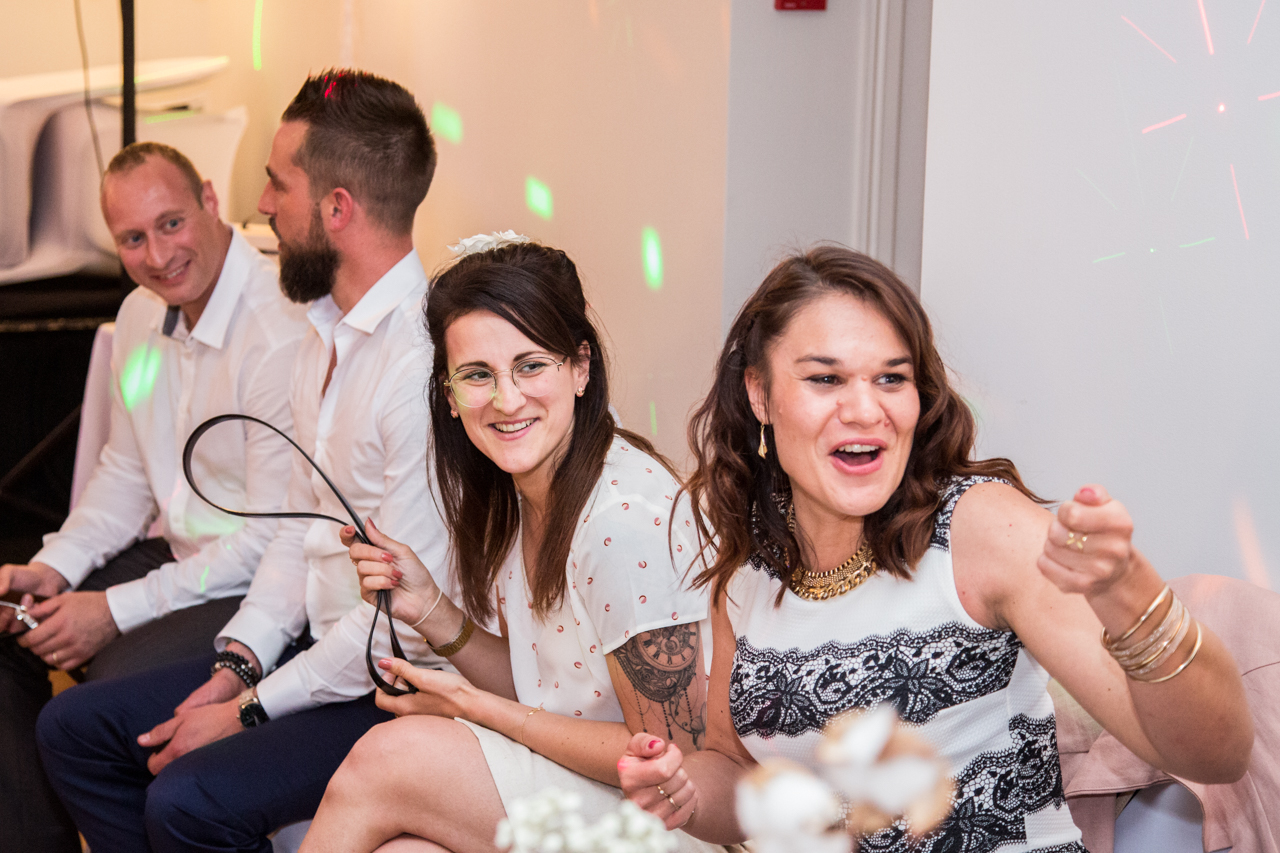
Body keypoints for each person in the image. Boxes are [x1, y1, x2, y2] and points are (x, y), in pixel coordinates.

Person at [615, 245, 1254, 852]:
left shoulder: (979, 530)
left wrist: (1131, 597)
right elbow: (735, 766)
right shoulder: (752, 568)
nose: (865, 410)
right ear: (759, 394)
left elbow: (1215, 754)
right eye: (826, 378)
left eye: (891, 378)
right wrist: (683, 792)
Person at [36, 70, 448, 852]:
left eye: (277, 183)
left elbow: (390, 627)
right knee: (72, 729)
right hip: (311, 640)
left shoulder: (417, 365)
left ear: (335, 208)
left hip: (387, 682)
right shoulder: (322, 333)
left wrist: (248, 709)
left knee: (185, 800)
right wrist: (238, 664)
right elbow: (296, 530)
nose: (261, 204)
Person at [297, 236, 724, 853]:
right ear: (448, 395)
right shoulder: (524, 491)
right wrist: (431, 610)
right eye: (477, 375)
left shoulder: (622, 521)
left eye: (530, 366)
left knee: (392, 755)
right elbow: (546, 689)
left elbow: (671, 756)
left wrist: (469, 706)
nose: (506, 399)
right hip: (584, 789)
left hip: (669, 824)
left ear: (580, 368)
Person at [0, 141, 307, 853]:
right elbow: (126, 472)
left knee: (105, 698)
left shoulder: (278, 329)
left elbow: (274, 538)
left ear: (209, 199)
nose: (159, 255)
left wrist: (112, 610)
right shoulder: (140, 315)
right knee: (11, 632)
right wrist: (55, 567)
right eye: (133, 238)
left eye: (171, 223)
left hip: (256, 584)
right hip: (177, 555)